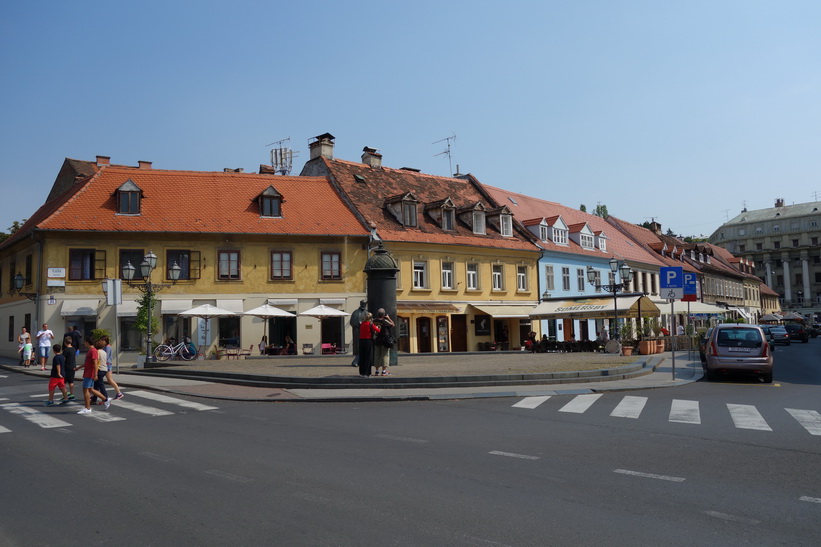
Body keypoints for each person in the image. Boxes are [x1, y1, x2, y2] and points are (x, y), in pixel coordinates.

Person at [75, 336, 109, 414]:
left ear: (87, 342)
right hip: (88, 372)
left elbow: (95, 363)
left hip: (90, 373)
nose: (84, 343)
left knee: (86, 390)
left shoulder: (93, 351)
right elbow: (87, 363)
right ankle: (105, 399)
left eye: (85, 342)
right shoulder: (91, 350)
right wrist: (78, 368)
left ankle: (87, 408)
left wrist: (95, 374)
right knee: (90, 389)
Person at [372, 308, 395, 376]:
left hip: (377, 340)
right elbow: (393, 324)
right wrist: (388, 318)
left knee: (377, 355)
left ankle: (376, 371)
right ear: (384, 314)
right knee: (385, 355)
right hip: (385, 341)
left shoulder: (374, 320)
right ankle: (384, 371)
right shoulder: (385, 321)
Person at [358, 312, 378, 377]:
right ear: (371, 318)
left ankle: (362, 372)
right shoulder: (370, 324)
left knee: (362, 357)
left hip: (361, 341)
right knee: (368, 357)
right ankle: (367, 373)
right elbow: (378, 330)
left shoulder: (362, 324)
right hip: (368, 341)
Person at [349, 300, 368, 367]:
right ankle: (357, 361)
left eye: (364, 304)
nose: (364, 305)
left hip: (365, 333)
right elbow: (352, 322)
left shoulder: (367, 313)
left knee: (362, 348)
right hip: (358, 332)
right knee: (359, 348)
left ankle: (359, 361)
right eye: (363, 304)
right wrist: (358, 325)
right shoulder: (355, 312)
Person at [62, 336, 77, 401]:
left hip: (66, 367)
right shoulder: (74, 349)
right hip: (73, 366)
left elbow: (64, 359)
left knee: (63, 382)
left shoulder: (65, 350)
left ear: (65, 342)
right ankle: (72, 394)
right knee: (71, 382)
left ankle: (65, 393)